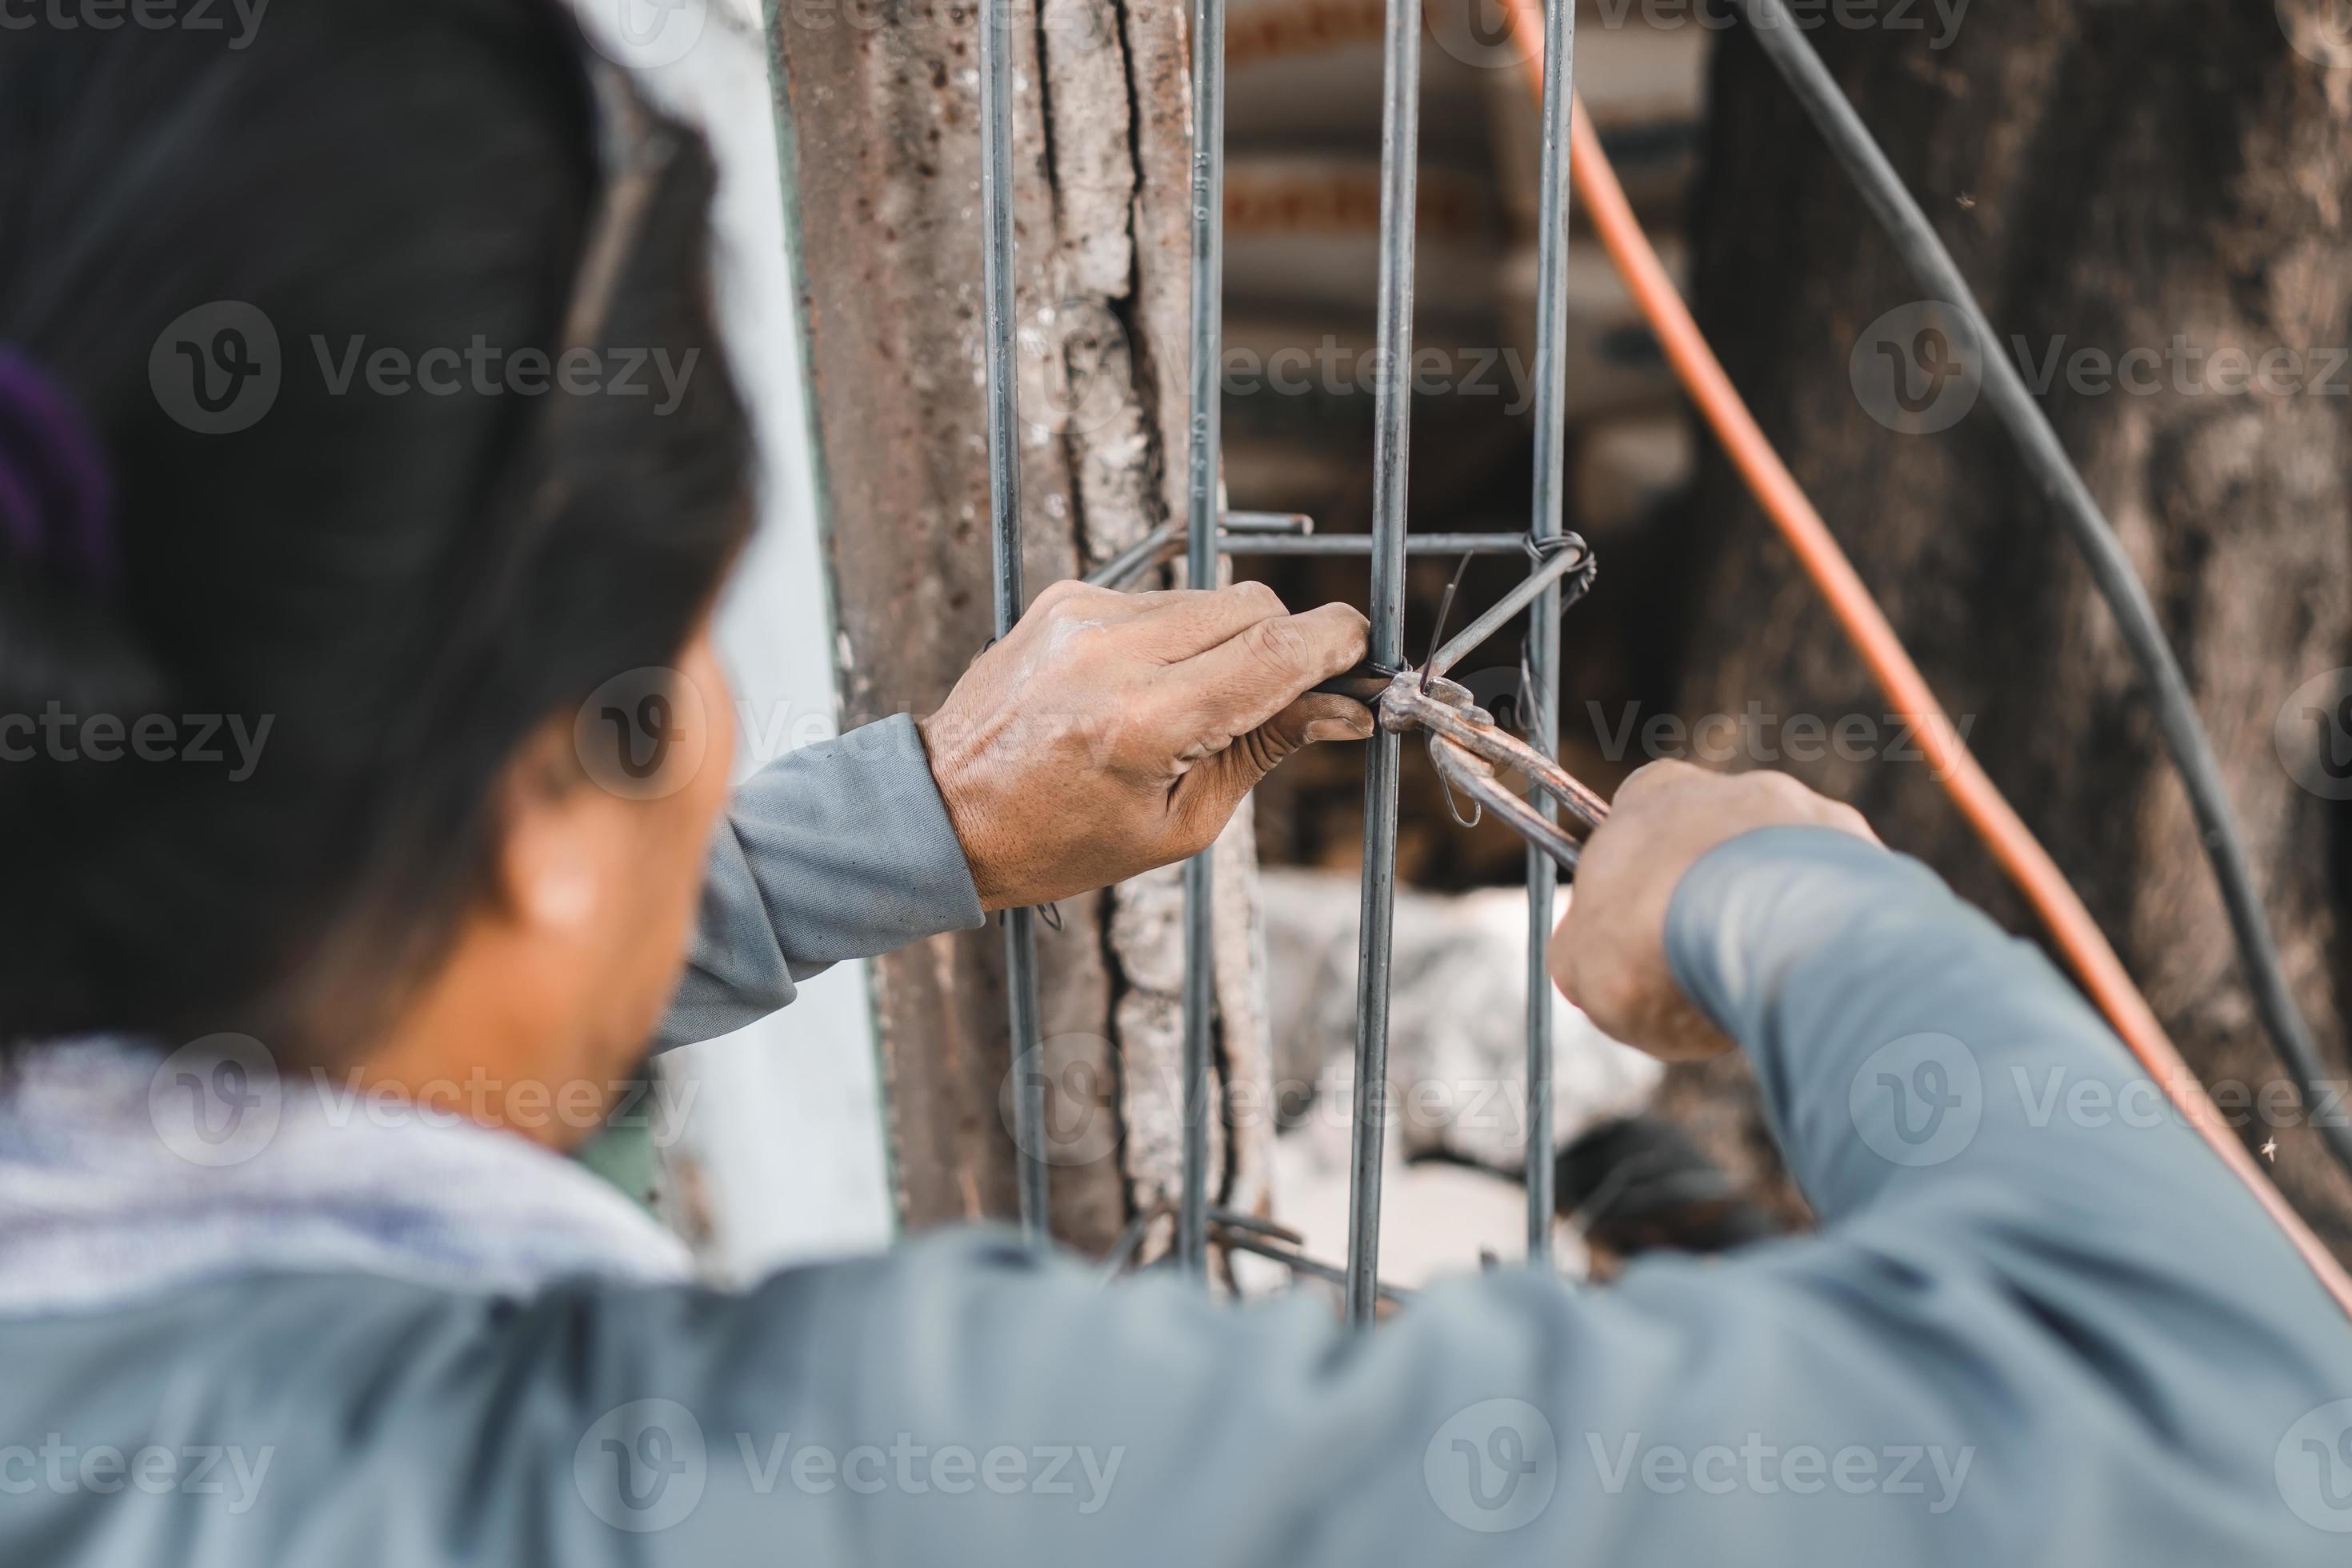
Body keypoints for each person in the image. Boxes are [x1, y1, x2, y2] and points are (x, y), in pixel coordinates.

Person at [0, 7, 2344, 1565]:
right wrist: (1794, 915)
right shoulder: (736, 1491)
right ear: (531, 816)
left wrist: (906, 813)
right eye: (676, 662)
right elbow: (2219, 1419)